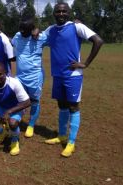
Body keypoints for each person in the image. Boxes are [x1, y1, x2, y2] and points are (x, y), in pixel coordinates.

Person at [43, 2, 103, 157]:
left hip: (73, 75)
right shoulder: (50, 30)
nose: (61, 14)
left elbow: (98, 40)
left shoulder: (76, 27)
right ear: (54, 14)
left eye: (64, 11)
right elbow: (38, 39)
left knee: (73, 107)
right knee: (62, 105)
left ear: (68, 13)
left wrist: (85, 63)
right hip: (57, 74)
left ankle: (71, 142)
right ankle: (62, 135)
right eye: (58, 11)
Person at [0, 63, 30, 156]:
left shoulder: (14, 83)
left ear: (6, 73)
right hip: (1, 106)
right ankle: (1, 132)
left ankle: (15, 141)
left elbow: (27, 102)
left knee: (12, 123)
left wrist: (9, 112)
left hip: (15, 107)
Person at [11, 17, 48, 138]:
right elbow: (11, 42)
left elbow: (54, 35)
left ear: (32, 30)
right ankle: (17, 118)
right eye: (21, 29)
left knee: (34, 101)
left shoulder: (40, 38)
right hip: (20, 77)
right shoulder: (17, 36)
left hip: (35, 77)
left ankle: (31, 125)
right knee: (18, 99)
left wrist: (39, 30)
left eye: (25, 30)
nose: (22, 32)